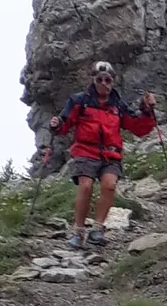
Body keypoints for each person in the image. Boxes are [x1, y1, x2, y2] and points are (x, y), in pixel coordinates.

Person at [48, 61, 157, 248]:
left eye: (108, 79)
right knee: (85, 186)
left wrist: (147, 110)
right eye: (100, 79)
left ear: (112, 81)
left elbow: (137, 126)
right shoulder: (79, 101)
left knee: (109, 185)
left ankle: (97, 229)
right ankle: (78, 231)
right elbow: (64, 123)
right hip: (85, 150)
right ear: (93, 80)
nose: (104, 83)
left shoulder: (118, 105)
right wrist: (56, 125)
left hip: (110, 153)